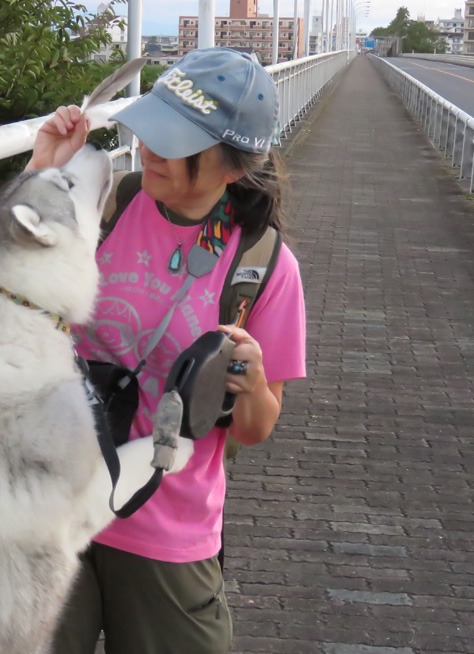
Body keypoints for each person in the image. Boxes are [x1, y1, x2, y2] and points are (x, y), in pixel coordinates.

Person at [28, 47, 307, 654]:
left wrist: (253, 384)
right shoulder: (109, 207)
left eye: (177, 143)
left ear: (231, 167)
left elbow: (255, 429)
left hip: (164, 530)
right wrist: (42, 169)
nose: (150, 150)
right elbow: (8, 278)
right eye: (152, 130)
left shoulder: (261, 268)